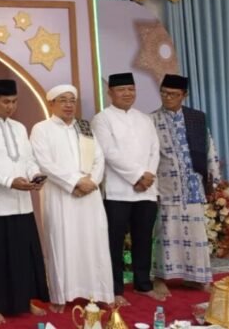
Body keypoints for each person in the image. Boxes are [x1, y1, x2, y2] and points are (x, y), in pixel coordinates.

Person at [0, 79, 49, 323]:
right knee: (0, 259)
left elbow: (28, 159)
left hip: (23, 203)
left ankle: (25, 301)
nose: (10, 106)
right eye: (6, 102)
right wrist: (9, 181)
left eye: (14, 102)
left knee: (24, 256)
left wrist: (35, 175)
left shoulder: (20, 128)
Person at [30, 84, 113, 312]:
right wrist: (75, 181)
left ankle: (98, 293)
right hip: (61, 196)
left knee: (94, 242)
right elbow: (44, 162)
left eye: (72, 100)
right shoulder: (41, 129)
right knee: (62, 243)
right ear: (51, 104)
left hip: (90, 196)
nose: (68, 105)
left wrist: (92, 181)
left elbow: (99, 158)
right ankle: (61, 296)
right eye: (63, 100)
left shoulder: (84, 127)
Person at [92, 73, 162, 304]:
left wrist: (148, 175)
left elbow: (154, 149)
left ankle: (143, 284)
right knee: (114, 242)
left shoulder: (145, 119)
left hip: (147, 191)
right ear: (110, 93)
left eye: (131, 89)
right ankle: (115, 290)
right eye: (121, 89)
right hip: (117, 192)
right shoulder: (102, 119)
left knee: (144, 239)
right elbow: (109, 152)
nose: (127, 93)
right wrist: (137, 176)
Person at [151, 74, 220, 296]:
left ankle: (197, 279)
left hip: (193, 186)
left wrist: (213, 181)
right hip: (166, 187)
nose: (167, 97)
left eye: (173, 94)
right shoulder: (151, 120)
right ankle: (160, 278)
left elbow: (209, 149)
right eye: (164, 93)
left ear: (184, 95)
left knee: (196, 235)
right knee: (165, 234)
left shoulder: (196, 118)